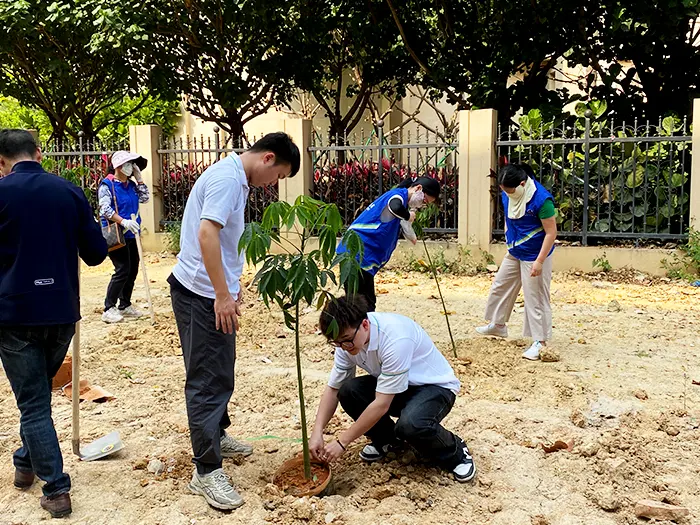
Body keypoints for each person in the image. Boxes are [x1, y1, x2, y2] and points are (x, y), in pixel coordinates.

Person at [168, 132, 300, 510]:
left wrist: (231, 285)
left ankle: (217, 434)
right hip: (201, 293)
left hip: (210, 289)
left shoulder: (235, 178)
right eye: (278, 176)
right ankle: (206, 470)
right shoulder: (228, 180)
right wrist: (221, 294)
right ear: (268, 158)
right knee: (207, 377)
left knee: (221, 367)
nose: (273, 185)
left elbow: (223, 241)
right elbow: (207, 234)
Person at [0, 129, 108, 518]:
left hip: (13, 313)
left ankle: (56, 487)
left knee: (32, 403)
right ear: (40, 153)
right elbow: (96, 254)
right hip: (61, 311)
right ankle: (25, 463)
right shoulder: (69, 192)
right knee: (37, 400)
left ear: (1, 161)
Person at [310, 295, 476, 483]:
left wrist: (342, 442)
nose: (343, 347)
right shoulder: (345, 344)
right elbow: (333, 389)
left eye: (347, 340)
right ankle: (389, 442)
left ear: (365, 324)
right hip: (395, 387)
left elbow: (381, 404)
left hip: (433, 388)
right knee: (348, 391)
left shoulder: (395, 338)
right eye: (336, 343)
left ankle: (455, 452)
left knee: (411, 424)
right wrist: (317, 431)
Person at [476, 163, 558, 360]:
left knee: (535, 297)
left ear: (522, 184)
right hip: (515, 250)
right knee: (500, 285)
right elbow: (509, 216)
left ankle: (540, 341)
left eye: (509, 189)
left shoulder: (541, 200)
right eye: (504, 190)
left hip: (535, 254)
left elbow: (551, 232)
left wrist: (539, 262)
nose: (506, 193)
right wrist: (507, 234)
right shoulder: (507, 194)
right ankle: (498, 325)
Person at [337, 176, 441, 312]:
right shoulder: (398, 196)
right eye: (424, 200)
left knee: (362, 302)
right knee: (360, 305)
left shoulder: (401, 198)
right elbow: (394, 207)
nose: (422, 205)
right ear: (418, 189)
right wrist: (408, 216)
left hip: (362, 257)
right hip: (355, 255)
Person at [99, 151, 151, 323]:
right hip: (116, 232)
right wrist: (123, 222)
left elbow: (145, 198)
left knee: (133, 268)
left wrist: (140, 178)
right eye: (128, 164)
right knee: (122, 269)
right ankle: (109, 307)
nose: (131, 167)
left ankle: (125, 304)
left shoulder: (131, 185)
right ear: (119, 167)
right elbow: (104, 209)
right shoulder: (107, 185)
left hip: (132, 233)